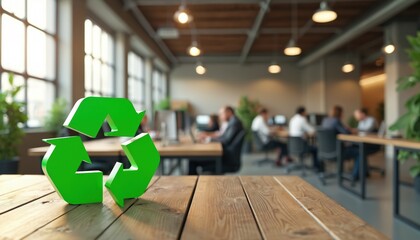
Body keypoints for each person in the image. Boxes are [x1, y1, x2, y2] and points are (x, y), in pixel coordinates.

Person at [189, 106, 244, 174]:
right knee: (193, 160)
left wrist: (208, 139)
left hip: (226, 159)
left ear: (229, 112)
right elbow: (223, 136)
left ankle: (191, 184)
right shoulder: (232, 121)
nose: (220, 116)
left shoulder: (234, 123)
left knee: (193, 161)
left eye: (222, 114)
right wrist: (208, 138)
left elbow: (226, 140)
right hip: (226, 155)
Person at [322, 106, 361, 180]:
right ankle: (355, 176)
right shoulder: (336, 121)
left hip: (325, 151)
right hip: (337, 151)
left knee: (354, 148)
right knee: (360, 152)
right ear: (340, 113)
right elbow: (346, 133)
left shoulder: (325, 120)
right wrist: (348, 129)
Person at [289, 106, 321, 171]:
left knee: (310, 145)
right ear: (303, 112)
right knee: (315, 148)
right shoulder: (302, 119)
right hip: (302, 146)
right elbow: (311, 130)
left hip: (293, 146)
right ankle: (316, 167)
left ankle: (301, 163)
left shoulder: (292, 119)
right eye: (305, 112)